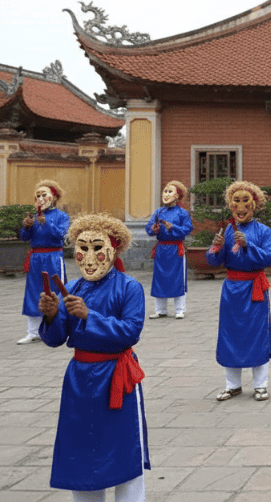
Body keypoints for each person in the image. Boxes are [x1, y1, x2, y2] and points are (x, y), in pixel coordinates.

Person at [38, 213, 150, 501]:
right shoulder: (72, 288)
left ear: (113, 249)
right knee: (81, 453)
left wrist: (90, 315)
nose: (89, 256)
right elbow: (55, 339)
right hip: (79, 380)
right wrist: (52, 315)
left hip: (117, 376)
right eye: (82, 248)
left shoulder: (130, 288)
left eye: (97, 248)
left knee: (124, 451)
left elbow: (130, 332)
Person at [207, 181, 271, 402]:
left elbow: (270, 257)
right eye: (236, 201)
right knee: (230, 335)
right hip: (231, 289)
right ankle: (232, 385)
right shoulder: (227, 230)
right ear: (231, 205)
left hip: (254, 288)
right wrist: (216, 248)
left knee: (257, 335)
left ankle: (261, 385)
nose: (241, 206)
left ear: (254, 204)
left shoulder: (264, 231)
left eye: (245, 201)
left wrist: (249, 246)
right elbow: (215, 261)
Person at [18, 179, 71, 344]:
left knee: (56, 290)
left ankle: (61, 327)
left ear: (54, 197)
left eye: (44, 194)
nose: (40, 198)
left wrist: (46, 223)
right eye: (37, 195)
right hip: (35, 259)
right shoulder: (34, 217)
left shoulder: (62, 216)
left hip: (53, 257)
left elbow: (61, 236)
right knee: (34, 292)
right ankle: (33, 331)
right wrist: (26, 227)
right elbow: (24, 238)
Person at [145, 181, 193, 320]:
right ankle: (160, 310)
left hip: (175, 249)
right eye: (165, 191)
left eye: (170, 192)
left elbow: (187, 230)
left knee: (178, 279)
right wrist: (153, 229)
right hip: (161, 250)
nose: (166, 194)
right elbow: (148, 228)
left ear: (177, 196)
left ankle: (180, 309)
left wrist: (173, 227)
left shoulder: (182, 213)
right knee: (159, 279)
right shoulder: (159, 212)